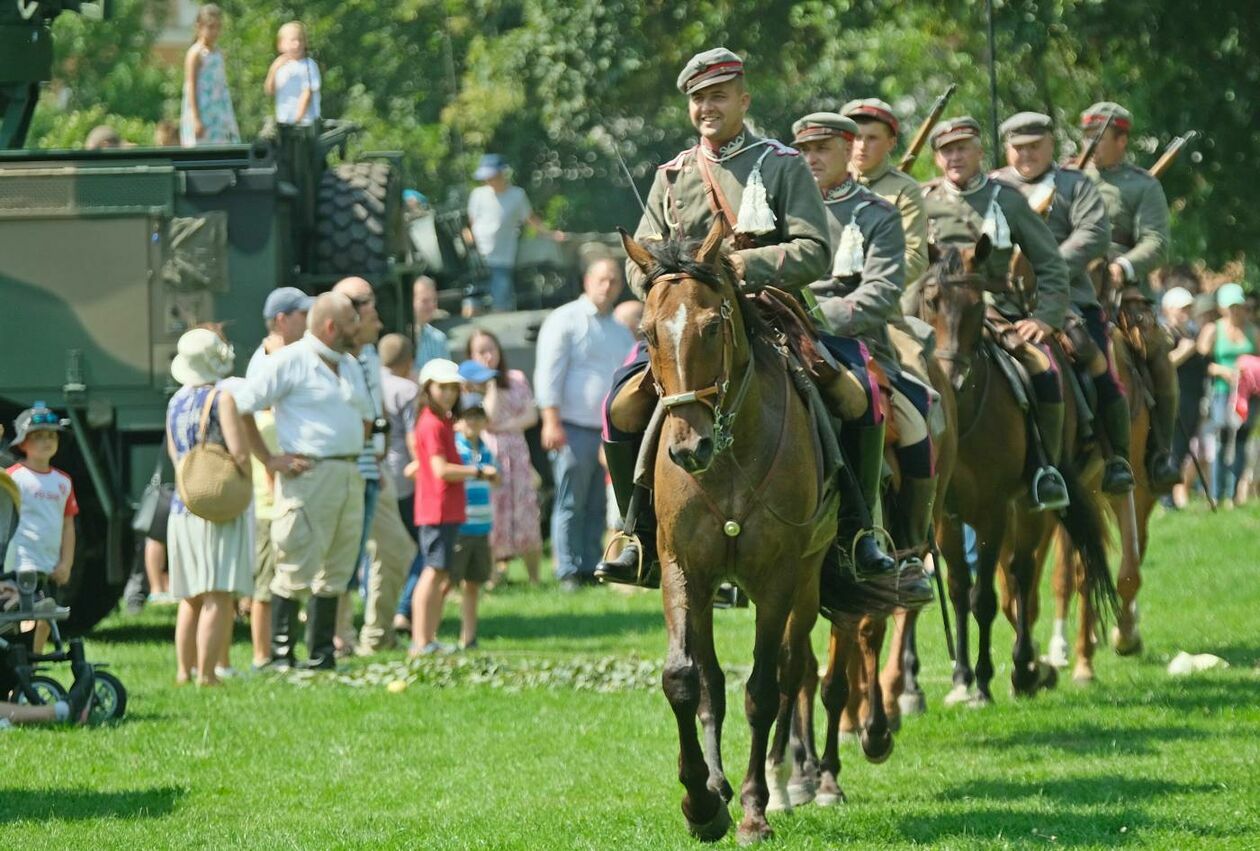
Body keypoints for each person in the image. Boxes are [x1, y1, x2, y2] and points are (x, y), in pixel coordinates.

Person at [599, 48, 891, 588]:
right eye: (698, 98)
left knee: (857, 395)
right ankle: (636, 532)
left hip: (769, 313)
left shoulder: (782, 163)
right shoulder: (672, 175)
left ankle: (858, 529)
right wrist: (666, 282)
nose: (707, 107)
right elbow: (638, 255)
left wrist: (735, 266)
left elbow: (813, 250)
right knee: (618, 406)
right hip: (688, 322)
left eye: (718, 96)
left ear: (743, 100)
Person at [791, 112, 935, 600]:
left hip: (853, 342)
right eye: (805, 150)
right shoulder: (777, 207)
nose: (811, 159)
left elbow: (882, 288)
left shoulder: (877, 213)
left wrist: (817, 314)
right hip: (780, 334)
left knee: (913, 424)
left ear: (848, 150)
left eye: (822, 149)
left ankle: (904, 551)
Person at [920, 115, 1072, 510]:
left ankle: (1044, 468)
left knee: (1043, 366)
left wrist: (1046, 318)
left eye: (963, 148)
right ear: (937, 158)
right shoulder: (922, 202)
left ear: (979, 151)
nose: (955, 156)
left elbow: (1051, 264)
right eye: (946, 150)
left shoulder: (1006, 199)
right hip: (934, 316)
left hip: (1000, 311)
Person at [994, 111, 1134, 493]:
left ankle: (1115, 454)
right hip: (1000, 303)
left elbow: (1094, 234)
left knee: (1096, 359)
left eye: (1034, 147)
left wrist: (1044, 265)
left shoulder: (1075, 185)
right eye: (1018, 148)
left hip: (1066, 297)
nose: (1026, 155)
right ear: (1007, 149)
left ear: (1049, 145)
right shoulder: (991, 188)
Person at [234, 293, 371, 670]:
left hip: (347, 472)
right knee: (295, 563)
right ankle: (281, 656)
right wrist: (269, 457)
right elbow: (243, 405)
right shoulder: (290, 362)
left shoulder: (351, 365)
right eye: (350, 322)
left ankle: (322, 654)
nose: (357, 329)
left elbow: (364, 416)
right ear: (330, 327)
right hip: (309, 476)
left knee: (339, 566)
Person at [1079, 101, 1179, 486]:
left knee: (1157, 355)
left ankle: (1160, 454)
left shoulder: (1143, 185)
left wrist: (1123, 266)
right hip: (1070, 285)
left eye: (1099, 138)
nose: (1091, 145)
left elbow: (1156, 242)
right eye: (1087, 137)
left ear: (1122, 140)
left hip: (1124, 292)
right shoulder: (1067, 177)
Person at [330, 278, 418, 657]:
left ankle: (378, 635)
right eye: (371, 310)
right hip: (345, 469)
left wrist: (379, 454)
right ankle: (339, 638)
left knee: (397, 547)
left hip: (372, 470)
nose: (379, 321)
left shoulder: (367, 356)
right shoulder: (328, 357)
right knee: (342, 556)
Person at [536, 258, 635, 589]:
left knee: (597, 501)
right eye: (601, 279)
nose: (607, 286)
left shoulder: (620, 332)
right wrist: (551, 420)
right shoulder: (565, 320)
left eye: (614, 281)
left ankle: (592, 566)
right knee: (570, 500)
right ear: (586, 281)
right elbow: (549, 372)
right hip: (572, 426)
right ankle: (567, 569)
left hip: (609, 433)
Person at [164, 328, 252, 686]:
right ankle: (209, 673)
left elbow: (175, 456)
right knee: (218, 592)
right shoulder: (221, 398)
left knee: (191, 596)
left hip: (184, 505)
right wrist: (245, 479)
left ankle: (184, 672)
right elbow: (241, 453)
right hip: (217, 508)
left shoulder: (175, 402)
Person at [242, 288, 311, 668]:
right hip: (269, 505)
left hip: (277, 500)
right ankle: (261, 655)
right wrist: (271, 464)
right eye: (302, 314)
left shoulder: (280, 356)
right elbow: (251, 419)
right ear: (282, 320)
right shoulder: (267, 364)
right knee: (266, 585)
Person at [407, 359, 493, 654]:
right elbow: (441, 469)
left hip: (447, 508)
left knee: (439, 573)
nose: (448, 394)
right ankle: (421, 641)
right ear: (427, 388)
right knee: (433, 573)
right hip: (438, 509)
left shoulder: (441, 421)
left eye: (453, 388)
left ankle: (427, 639)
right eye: (442, 387)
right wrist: (479, 472)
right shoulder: (432, 423)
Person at [465, 329, 542, 586]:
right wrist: (489, 383)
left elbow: (531, 415)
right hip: (490, 454)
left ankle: (534, 577)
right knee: (494, 513)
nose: (488, 355)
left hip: (517, 453)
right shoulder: (469, 387)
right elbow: (487, 417)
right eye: (481, 351)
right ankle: (493, 575)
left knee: (525, 509)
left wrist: (507, 426)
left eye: (492, 349)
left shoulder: (516, 378)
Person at [4, 404, 77, 655]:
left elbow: (68, 524)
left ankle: (31, 663)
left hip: (49, 564)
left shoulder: (63, 481)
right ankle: (20, 664)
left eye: (52, 435)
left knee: (46, 618)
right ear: (23, 444)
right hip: (20, 563)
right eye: (39, 436)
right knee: (25, 615)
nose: (47, 441)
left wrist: (66, 563)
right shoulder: (12, 477)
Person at [841, 98, 930, 291]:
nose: (862, 146)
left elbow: (915, 257)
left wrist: (870, 282)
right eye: (856, 137)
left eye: (872, 138)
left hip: (877, 298)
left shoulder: (905, 190)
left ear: (891, 143)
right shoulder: (826, 181)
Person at [466, 155, 564, 311]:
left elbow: (530, 219)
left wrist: (550, 234)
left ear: (502, 174)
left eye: (492, 176)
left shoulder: (517, 195)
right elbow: (470, 223)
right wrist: (470, 245)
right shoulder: (478, 194)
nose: (489, 180)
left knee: (501, 300)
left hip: (502, 257)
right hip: (478, 258)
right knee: (472, 300)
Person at [1198, 283, 1258, 506]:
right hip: (1221, 392)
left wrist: (1248, 369)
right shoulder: (1214, 330)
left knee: (1242, 441)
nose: (1236, 311)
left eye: (1239, 306)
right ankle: (1216, 493)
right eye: (1231, 306)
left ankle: (1234, 495)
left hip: (1248, 396)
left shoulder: (1253, 331)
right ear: (1223, 308)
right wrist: (1223, 371)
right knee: (1221, 440)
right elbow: (1202, 363)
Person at [450, 399, 499, 648]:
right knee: (447, 583)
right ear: (458, 421)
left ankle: (468, 637)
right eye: (469, 416)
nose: (475, 422)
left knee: (474, 583)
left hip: (482, 523)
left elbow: (497, 478)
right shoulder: (455, 447)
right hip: (461, 524)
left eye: (479, 416)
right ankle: (428, 636)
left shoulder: (486, 447)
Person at [1163, 286, 1209, 507]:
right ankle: (1166, 498)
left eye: (1189, 308)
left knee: (1181, 450)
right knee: (1173, 448)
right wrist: (1186, 350)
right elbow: (1162, 366)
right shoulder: (1164, 333)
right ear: (1168, 309)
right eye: (1182, 308)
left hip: (1192, 398)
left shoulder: (1190, 333)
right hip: (1174, 398)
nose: (1186, 313)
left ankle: (1170, 496)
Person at [180, 4, 240, 147]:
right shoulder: (195, 53)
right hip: (202, 110)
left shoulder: (218, 52)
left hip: (219, 111)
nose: (215, 31)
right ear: (199, 26)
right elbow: (191, 86)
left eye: (218, 27)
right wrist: (196, 119)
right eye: (210, 27)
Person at [265, 21, 321, 126]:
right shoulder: (280, 67)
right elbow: (270, 90)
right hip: (284, 121)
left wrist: (297, 119)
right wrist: (273, 69)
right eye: (292, 40)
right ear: (281, 45)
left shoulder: (308, 65)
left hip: (305, 122)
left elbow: (307, 93)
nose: (297, 44)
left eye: (300, 40)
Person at [247, 287, 313, 375]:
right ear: (282, 320)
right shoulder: (265, 360)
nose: (309, 319)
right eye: (304, 314)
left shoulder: (292, 353)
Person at [412, 276, 450, 374]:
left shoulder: (439, 338)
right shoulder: (397, 339)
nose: (432, 306)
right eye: (425, 301)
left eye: (434, 300)